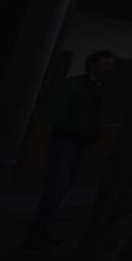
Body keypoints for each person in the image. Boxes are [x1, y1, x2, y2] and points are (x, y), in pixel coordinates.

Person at [25, 51, 114, 250]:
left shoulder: (99, 88)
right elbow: (54, 110)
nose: (109, 68)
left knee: (65, 183)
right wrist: (76, 128)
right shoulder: (75, 85)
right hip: (65, 140)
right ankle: (39, 230)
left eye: (111, 65)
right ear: (92, 64)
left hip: (80, 143)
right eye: (106, 64)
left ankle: (43, 227)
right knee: (58, 184)